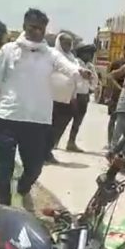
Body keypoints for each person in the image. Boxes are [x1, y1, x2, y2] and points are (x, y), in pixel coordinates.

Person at [0, 8, 77, 210]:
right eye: (33, 27)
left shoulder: (51, 55)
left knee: (34, 169)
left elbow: (69, 68)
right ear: (24, 26)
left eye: (41, 29)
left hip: (37, 122)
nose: (37, 32)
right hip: (7, 118)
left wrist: (81, 73)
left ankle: (22, 188)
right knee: (2, 170)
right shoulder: (8, 51)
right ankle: (4, 210)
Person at [46, 32, 78, 164]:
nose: (68, 46)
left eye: (70, 43)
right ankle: (42, 152)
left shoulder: (73, 59)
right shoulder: (51, 55)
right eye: (65, 43)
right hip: (50, 98)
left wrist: (74, 96)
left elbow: (76, 78)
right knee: (48, 126)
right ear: (59, 42)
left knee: (59, 126)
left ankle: (48, 150)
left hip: (67, 99)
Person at [65, 44, 98, 153]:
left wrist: (91, 84)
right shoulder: (75, 62)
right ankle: (54, 141)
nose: (89, 56)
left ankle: (71, 142)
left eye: (91, 54)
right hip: (73, 94)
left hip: (84, 95)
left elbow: (95, 81)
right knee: (65, 119)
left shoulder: (90, 66)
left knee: (78, 121)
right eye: (87, 53)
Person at [105, 45, 125, 147]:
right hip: (116, 94)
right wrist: (109, 94)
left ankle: (119, 143)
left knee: (124, 121)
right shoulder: (117, 63)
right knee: (113, 118)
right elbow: (109, 78)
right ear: (124, 51)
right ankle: (110, 141)